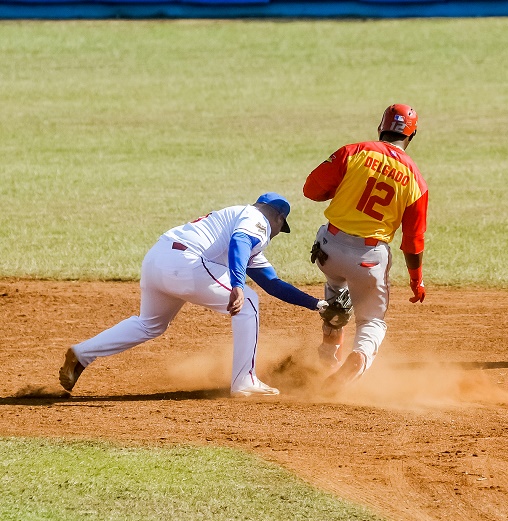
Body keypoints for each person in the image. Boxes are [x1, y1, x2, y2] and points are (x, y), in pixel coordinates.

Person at [58, 193, 329, 397]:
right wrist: (237, 284)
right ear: (278, 219)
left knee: (149, 324)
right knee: (248, 302)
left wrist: (317, 304)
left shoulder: (238, 224)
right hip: (185, 262)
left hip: (158, 259)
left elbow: (273, 283)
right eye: (282, 227)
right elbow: (240, 242)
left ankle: (82, 353)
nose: (279, 233)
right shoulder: (255, 220)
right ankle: (244, 380)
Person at [303, 103, 429, 387]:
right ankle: (358, 358)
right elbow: (413, 240)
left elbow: (310, 189)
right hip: (369, 258)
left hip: (329, 247)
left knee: (337, 292)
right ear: (412, 135)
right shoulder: (415, 179)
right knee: (371, 321)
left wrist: (342, 190)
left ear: (380, 128)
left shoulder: (354, 151)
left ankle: (327, 355)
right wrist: (416, 279)